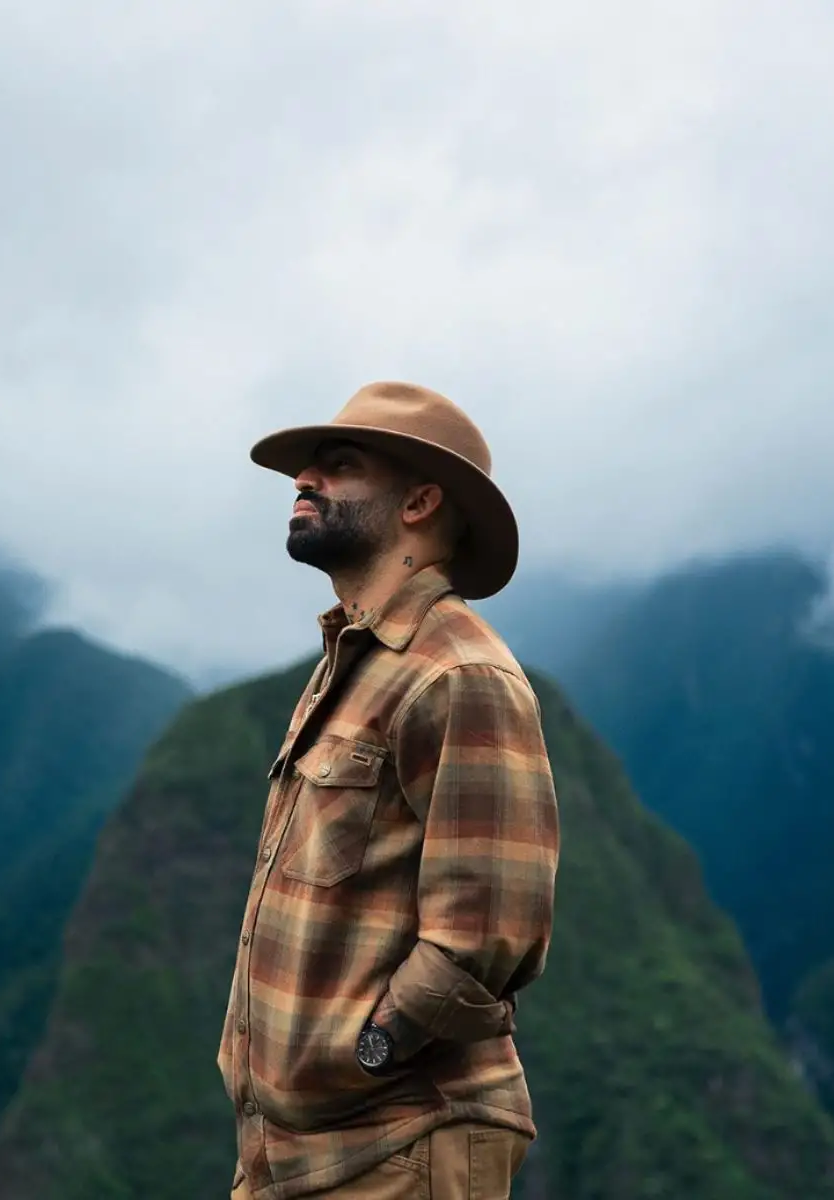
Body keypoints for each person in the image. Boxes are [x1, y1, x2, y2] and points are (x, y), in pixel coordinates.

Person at [224, 383, 558, 1199]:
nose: (306, 479)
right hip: (294, 1150)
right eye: (309, 467)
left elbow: (486, 936)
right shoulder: (355, 660)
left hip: (399, 1146)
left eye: (339, 465)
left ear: (419, 500)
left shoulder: (462, 675)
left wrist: (364, 1051)